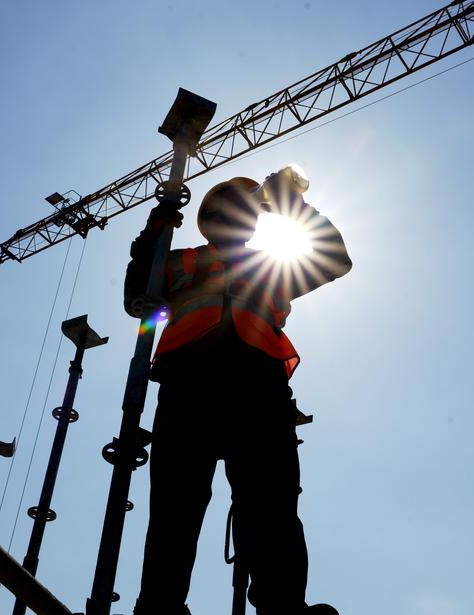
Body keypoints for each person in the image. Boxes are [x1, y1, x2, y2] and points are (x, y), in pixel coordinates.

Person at [125, 171, 352, 615]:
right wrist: (155, 227)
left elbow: (334, 260)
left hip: (257, 387)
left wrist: (294, 207)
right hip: (189, 385)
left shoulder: (270, 266)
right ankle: (159, 606)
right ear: (211, 217)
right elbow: (138, 292)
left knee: (270, 508)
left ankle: (281, 605)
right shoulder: (178, 261)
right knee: (176, 508)